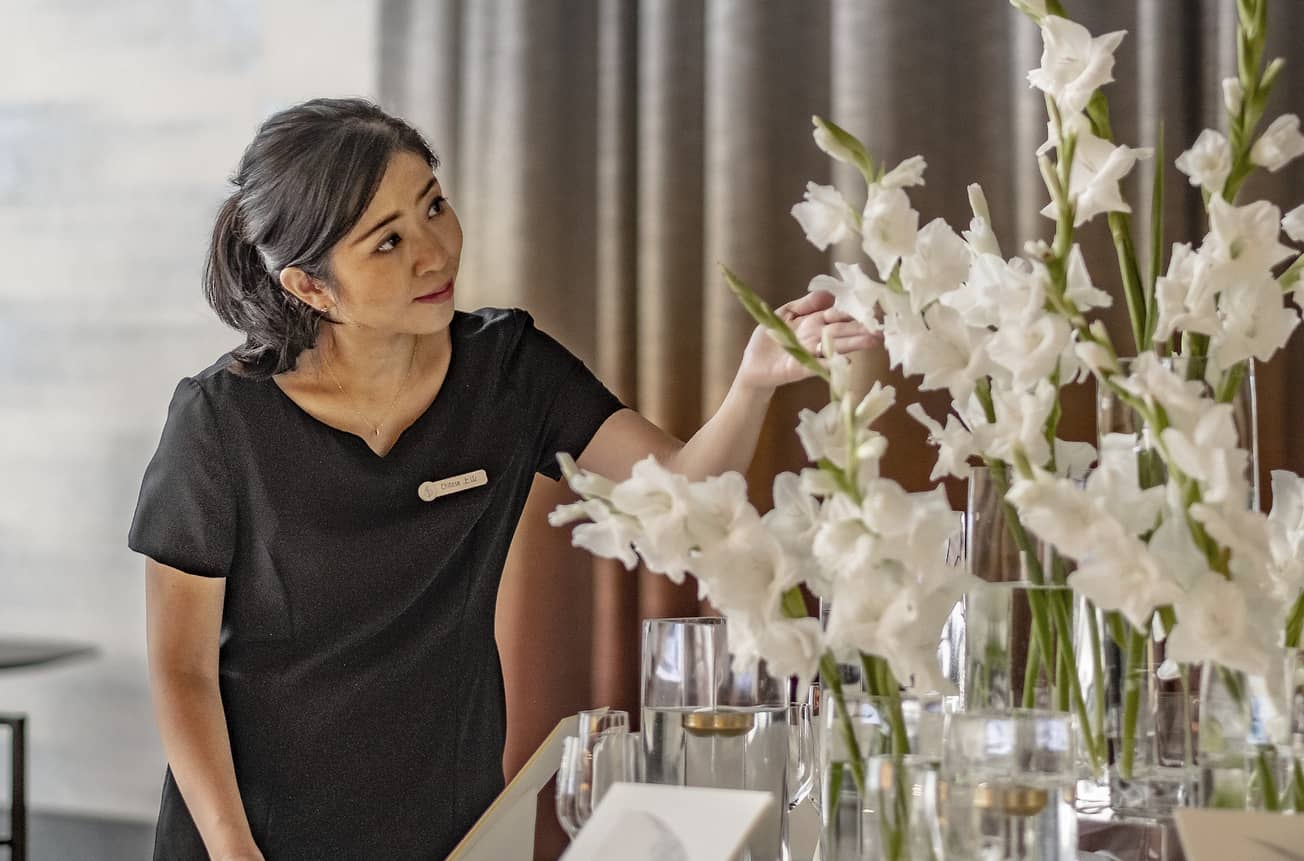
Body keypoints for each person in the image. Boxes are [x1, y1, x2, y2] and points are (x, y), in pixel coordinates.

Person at [127, 97, 877, 861]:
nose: (435, 250)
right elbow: (181, 666)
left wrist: (752, 382)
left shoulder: (507, 368)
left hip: (456, 828)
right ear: (311, 287)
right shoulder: (222, 424)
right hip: (256, 837)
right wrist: (232, 850)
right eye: (387, 241)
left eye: (434, 207)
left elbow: (683, 488)